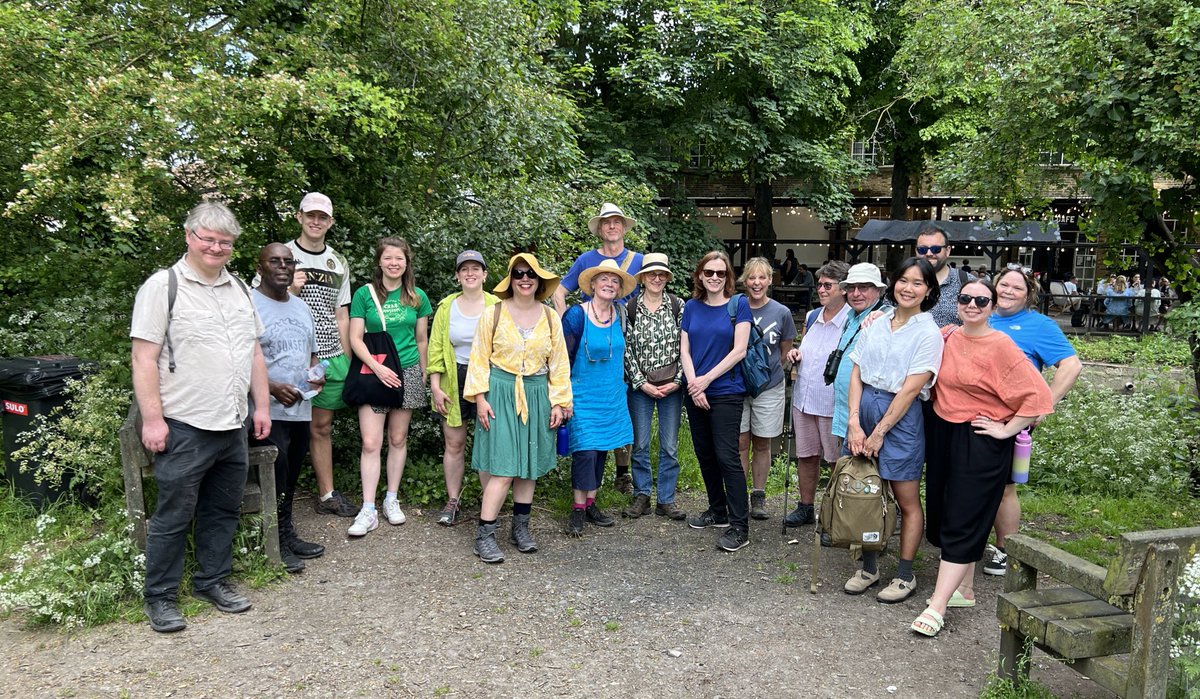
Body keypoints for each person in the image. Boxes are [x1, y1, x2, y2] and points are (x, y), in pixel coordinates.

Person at [130, 201, 271, 633]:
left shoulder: (242, 290)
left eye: (224, 242)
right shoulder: (163, 286)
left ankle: (212, 581)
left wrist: (261, 406)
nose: (215, 247)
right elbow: (143, 357)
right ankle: (161, 597)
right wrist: (153, 421)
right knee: (174, 515)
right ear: (189, 236)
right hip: (185, 424)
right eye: (207, 238)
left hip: (232, 422)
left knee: (222, 509)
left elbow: (253, 352)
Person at [911, 279, 1053, 637]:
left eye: (981, 300)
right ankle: (965, 588)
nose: (972, 304)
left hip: (980, 439)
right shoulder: (947, 335)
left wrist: (1006, 429)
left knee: (964, 517)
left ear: (992, 306)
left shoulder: (1001, 345)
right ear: (956, 302)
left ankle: (937, 606)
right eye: (965, 298)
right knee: (945, 512)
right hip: (944, 433)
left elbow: (1038, 398)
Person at [844, 257, 943, 603]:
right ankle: (869, 565)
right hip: (865, 407)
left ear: (928, 290)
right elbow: (856, 371)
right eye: (904, 280)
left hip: (900, 419)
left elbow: (911, 390)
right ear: (894, 282)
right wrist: (854, 422)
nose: (909, 288)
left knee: (906, 498)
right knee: (867, 491)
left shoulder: (928, 333)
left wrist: (880, 432)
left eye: (918, 283)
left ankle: (904, 574)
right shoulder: (877, 321)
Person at [464, 253, 572, 563]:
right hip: (499, 392)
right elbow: (479, 358)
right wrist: (480, 398)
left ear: (539, 281)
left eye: (531, 275)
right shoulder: (493, 314)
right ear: (511, 279)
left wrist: (560, 402)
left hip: (537, 394)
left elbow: (559, 364)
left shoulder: (551, 317)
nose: (525, 279)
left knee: (529, 467)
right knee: (503, 468)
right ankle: (484, 535)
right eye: (519, 274)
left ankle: (520, 529)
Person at [984, 268, 1082, 576]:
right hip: (970, 417)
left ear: (1029, 295)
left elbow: (1071, 365)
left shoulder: (1039, 325)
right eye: (1004, 285)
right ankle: (970, 543)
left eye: (1017, 287)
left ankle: (1004, 549)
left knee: (1005, 488)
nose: (1009, 291)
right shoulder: (978, 313)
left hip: (1012, 422)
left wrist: (1046, 402)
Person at [553, 203, 643, 494]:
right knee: (594, 419)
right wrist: (566, 320)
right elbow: (559, 290)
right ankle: (590, 495)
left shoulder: (638, 260)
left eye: (617, 222)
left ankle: (623, 473)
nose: (612, 227)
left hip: (626, 345)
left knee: (619, 413)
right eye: (607, 222)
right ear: (600, 229)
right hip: (590, 347)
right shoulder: (587, 260)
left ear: (624, 227)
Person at [345, 237, 432, 537]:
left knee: (397, 438)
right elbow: (355, 337)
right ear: (379, 262)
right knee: (371, 442)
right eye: (388, 258)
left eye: (400, 258)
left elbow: (422, 339)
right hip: (374, 369)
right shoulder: (364, 295)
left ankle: (391, 499)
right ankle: (367, 508)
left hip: (407, 370)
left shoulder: (417, 296)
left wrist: (423, 371)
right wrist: (378, 367)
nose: (394, 263)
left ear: (407, 263)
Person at [251, 243, 327, 574]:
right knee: (274, 475)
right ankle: (273, 541)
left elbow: (312, 353)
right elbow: (239, 359)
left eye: (288, 261)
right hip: (266, 410)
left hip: (300, 408)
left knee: (292, 475)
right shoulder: (250, 304)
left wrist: (318, 374)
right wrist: (269, 387)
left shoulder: (301, 307)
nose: (282, 266)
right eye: (275, 261)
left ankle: (286, 532)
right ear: (261, 266)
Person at [288, 193, 359, 518]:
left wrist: (347, 358)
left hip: (330, 355)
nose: (316, 221)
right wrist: (290, 289)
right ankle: (280, 499)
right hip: (291, 358)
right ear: (299, 216)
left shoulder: (337, 262)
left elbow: (342, 314)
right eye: (311, 215)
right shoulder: (283, 255)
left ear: (330, 222)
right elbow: (259, 306)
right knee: (284, 428)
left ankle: (326, 493)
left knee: (321, 426)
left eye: (323, 217)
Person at [681, 251, 753, 552]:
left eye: (720, 273)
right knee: (705, 454)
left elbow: (740, 351)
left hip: (726, 391)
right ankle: (718, 510)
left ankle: (740, 526)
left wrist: (706, 381)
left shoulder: (739, 306)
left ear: (728, 277)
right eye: (708, 272)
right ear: (699, 275)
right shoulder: (691, 307)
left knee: (727, 456)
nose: (713, 277)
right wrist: (694, 386)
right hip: (695, 389)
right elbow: (684, 349)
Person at [562, 259, 637, 536]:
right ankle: (577, 509)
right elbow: (561, 359)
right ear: (592, 285)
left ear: (619, 289)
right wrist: (562, 396)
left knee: (602, 451)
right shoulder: (575, 315)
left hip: (612, 396)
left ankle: (591, 504)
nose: (609, 284)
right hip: (581, 395)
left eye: (615, 281)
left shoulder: (621, 315)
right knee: (585, 451)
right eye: (603, 279)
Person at [427, 250, 500, 526]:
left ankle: (489, 502)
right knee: (454, 443)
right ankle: (453, 500)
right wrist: (435, 386)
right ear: (457, 276)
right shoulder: (446, 306)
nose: (470, 273)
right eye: (464, 269)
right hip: (453, 378)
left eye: (475, 269)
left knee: (488, 443)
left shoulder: (497, 305)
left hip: (488, 379)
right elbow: (435, 349)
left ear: (484, 275)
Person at [782, 261, 850, 527]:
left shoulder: (851, 321)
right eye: (820, 284)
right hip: (804, 398)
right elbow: (809, 349)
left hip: (832, 401)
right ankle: (806, 507)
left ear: (843, 289)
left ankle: (837, 515)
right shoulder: (812, 317)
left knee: (835, 461)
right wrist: (796, 353)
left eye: (827, 285)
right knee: (806, 455)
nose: (820, 289)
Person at [622, 253, 687, 520]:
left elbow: (687, 346)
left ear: (667, 278)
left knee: (670, 445)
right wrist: (640, 382)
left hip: (672, 384)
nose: (657, 278)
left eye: (661, 274)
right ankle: (642, 495)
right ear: (643, 278)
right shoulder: (631, 308)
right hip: (641, 387)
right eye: (651, 274)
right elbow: (626, 349)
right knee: (640, 443)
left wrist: (678, 380)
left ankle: (667, 499)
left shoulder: (677, 305)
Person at [735, 257, 796, 520]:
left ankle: (758, 495)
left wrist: (765, 372)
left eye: (762, 278)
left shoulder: (781, 312)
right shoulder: (735, 307)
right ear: (745, 281)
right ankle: (737, 495)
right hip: (737, 386)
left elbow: (785, 348)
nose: (757, 283)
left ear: (770, 280)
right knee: (739, 442)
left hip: (768, 386)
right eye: (752, 278)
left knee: (762, 442)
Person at [914, 226, 972, 327]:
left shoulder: (967, 282)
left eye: (936, 249)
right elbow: (889, 310)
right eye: (922, 249)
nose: (929, 254)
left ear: (948, 250)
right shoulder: (904, 283)